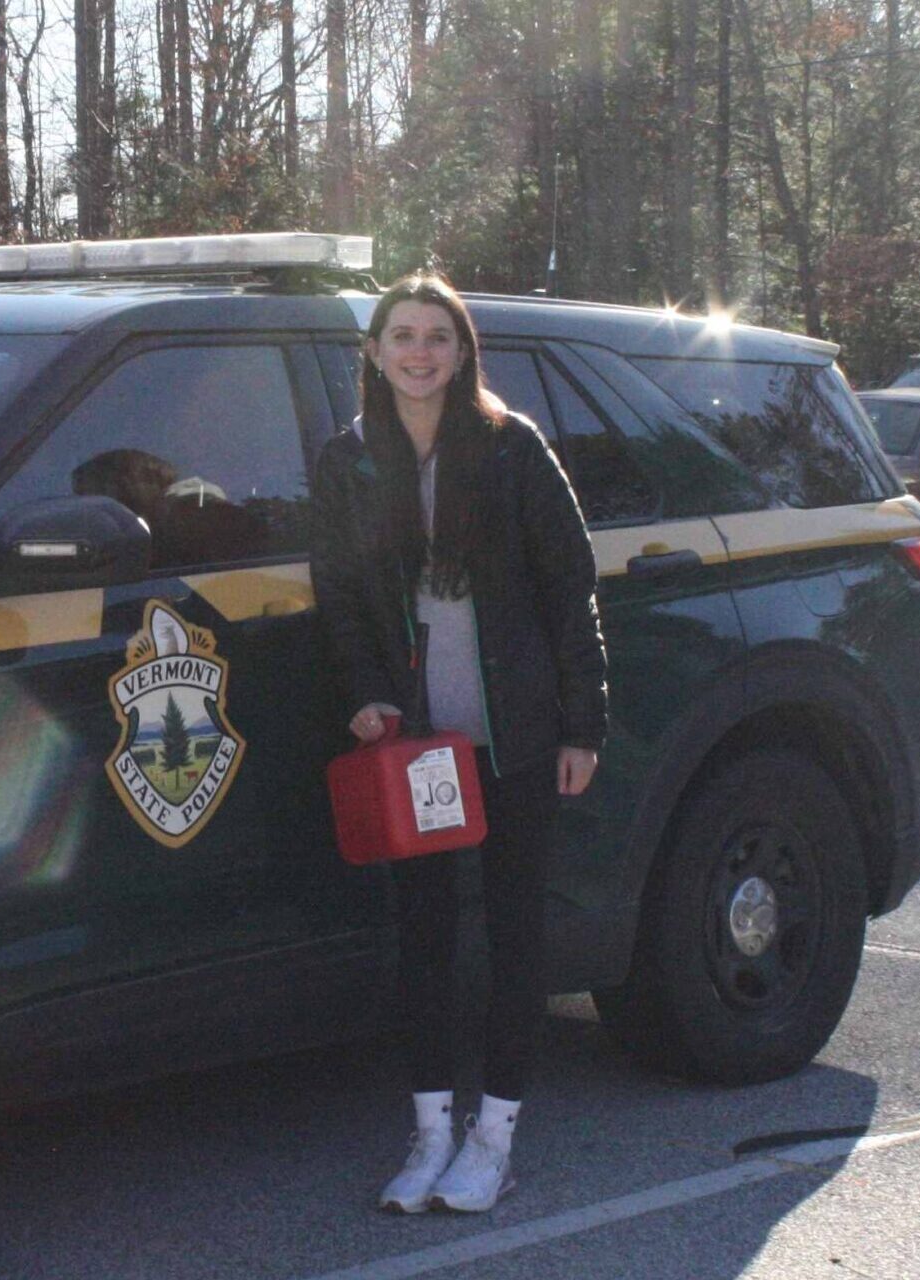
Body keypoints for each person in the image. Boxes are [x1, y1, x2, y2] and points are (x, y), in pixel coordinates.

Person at [309, 273, 608, 1215]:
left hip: (512, 736)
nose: (420, 352)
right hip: (419, 747)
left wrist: (582, 722)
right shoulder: (351, 459)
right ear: (374, 350)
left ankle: (495, 1137)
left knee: (515, 935)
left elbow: (572, 585)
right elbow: (344, 597)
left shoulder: (512, 449)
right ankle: (432, 1131)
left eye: (438, 336)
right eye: (402, 335)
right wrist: (366, 696)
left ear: (462, 348)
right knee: (426, 938)